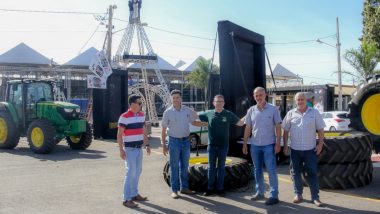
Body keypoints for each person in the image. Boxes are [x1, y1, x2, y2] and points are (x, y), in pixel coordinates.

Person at [161, 90, 208, 199]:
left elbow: (194, 122)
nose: (176, 99)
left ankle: (184, 188)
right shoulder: (167, 112)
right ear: (171, 99)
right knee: (174, 166)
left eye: (177, 97)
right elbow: (163, 130)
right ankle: (174, 190)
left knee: (184, 166)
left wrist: (206, 123)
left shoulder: (187, 110)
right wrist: (164, 146)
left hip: (185, 141)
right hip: (174, 142)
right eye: (174, 98)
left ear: (181, 98)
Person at [282, 92, 325, 207]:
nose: (300, 101)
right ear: (295, 101)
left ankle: (315, 198)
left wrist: (320, 145)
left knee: (312, 173)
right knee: (295, 173)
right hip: (295, 150)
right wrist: (285, 145)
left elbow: (321, 130)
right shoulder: (290, 114)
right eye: (298, 100)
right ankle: (298, 194)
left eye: (302, 99)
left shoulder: (314, 113)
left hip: (310, 150)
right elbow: (285, 131)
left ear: (306, 100)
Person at [242, 87, 282, 206]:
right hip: (255, 145)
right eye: (256, 96)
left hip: (269, 145)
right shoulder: (251, 110)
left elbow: (278, 127)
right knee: (257, 169)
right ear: (254, 97)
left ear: (265, 95)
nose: (258, 97)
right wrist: (245, 144)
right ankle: (260, 192)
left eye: (260, 95)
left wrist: (278, 143)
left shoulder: (273, 109)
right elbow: (248, 127)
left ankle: (274, 195)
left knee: (271, 170)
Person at [201, 95, 245, 197]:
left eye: (221, 101)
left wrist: (250, 113)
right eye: (217, 101)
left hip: (223, 146)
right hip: (211, 146)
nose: (219, 103)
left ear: (224, 103)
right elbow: (195, 116)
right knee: (211, 168)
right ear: (213, 103)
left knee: (221, 168)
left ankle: (220, 189)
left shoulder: (228, 114)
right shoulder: (209, 113)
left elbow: (240, 123)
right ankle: (210, 188)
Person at [117, 94, 151, 208]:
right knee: (130, 172)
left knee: (137, 172)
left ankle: (134, 194)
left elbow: (144, 131)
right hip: (129, 149)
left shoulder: (141, 115)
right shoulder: (124, 117)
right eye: (139, 103)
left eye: (141, 103)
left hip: (139, 148)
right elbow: (119, 135)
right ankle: (126, 199)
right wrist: (121, 150)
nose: (141, 105)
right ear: (132, 104)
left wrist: (147, 144)